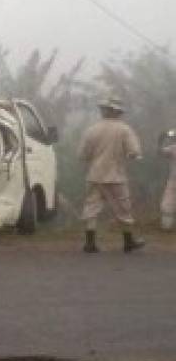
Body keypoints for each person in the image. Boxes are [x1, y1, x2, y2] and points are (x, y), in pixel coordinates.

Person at [77, 96, 144, 253]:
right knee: (123, 209)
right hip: (116, 176)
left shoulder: (91, 130)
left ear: (103, 111)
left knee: (91, 208)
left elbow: (82, 155)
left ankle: (90, 243)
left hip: (95, 175)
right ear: (117, 112)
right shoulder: (124, 129)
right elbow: (134, 152)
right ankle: (128, 242)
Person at [160, 129, 176, 231]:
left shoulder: (173, 148)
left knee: (168, 202)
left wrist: (161, 138)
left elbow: (160, 152)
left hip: (174, 178)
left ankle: (167, 226)